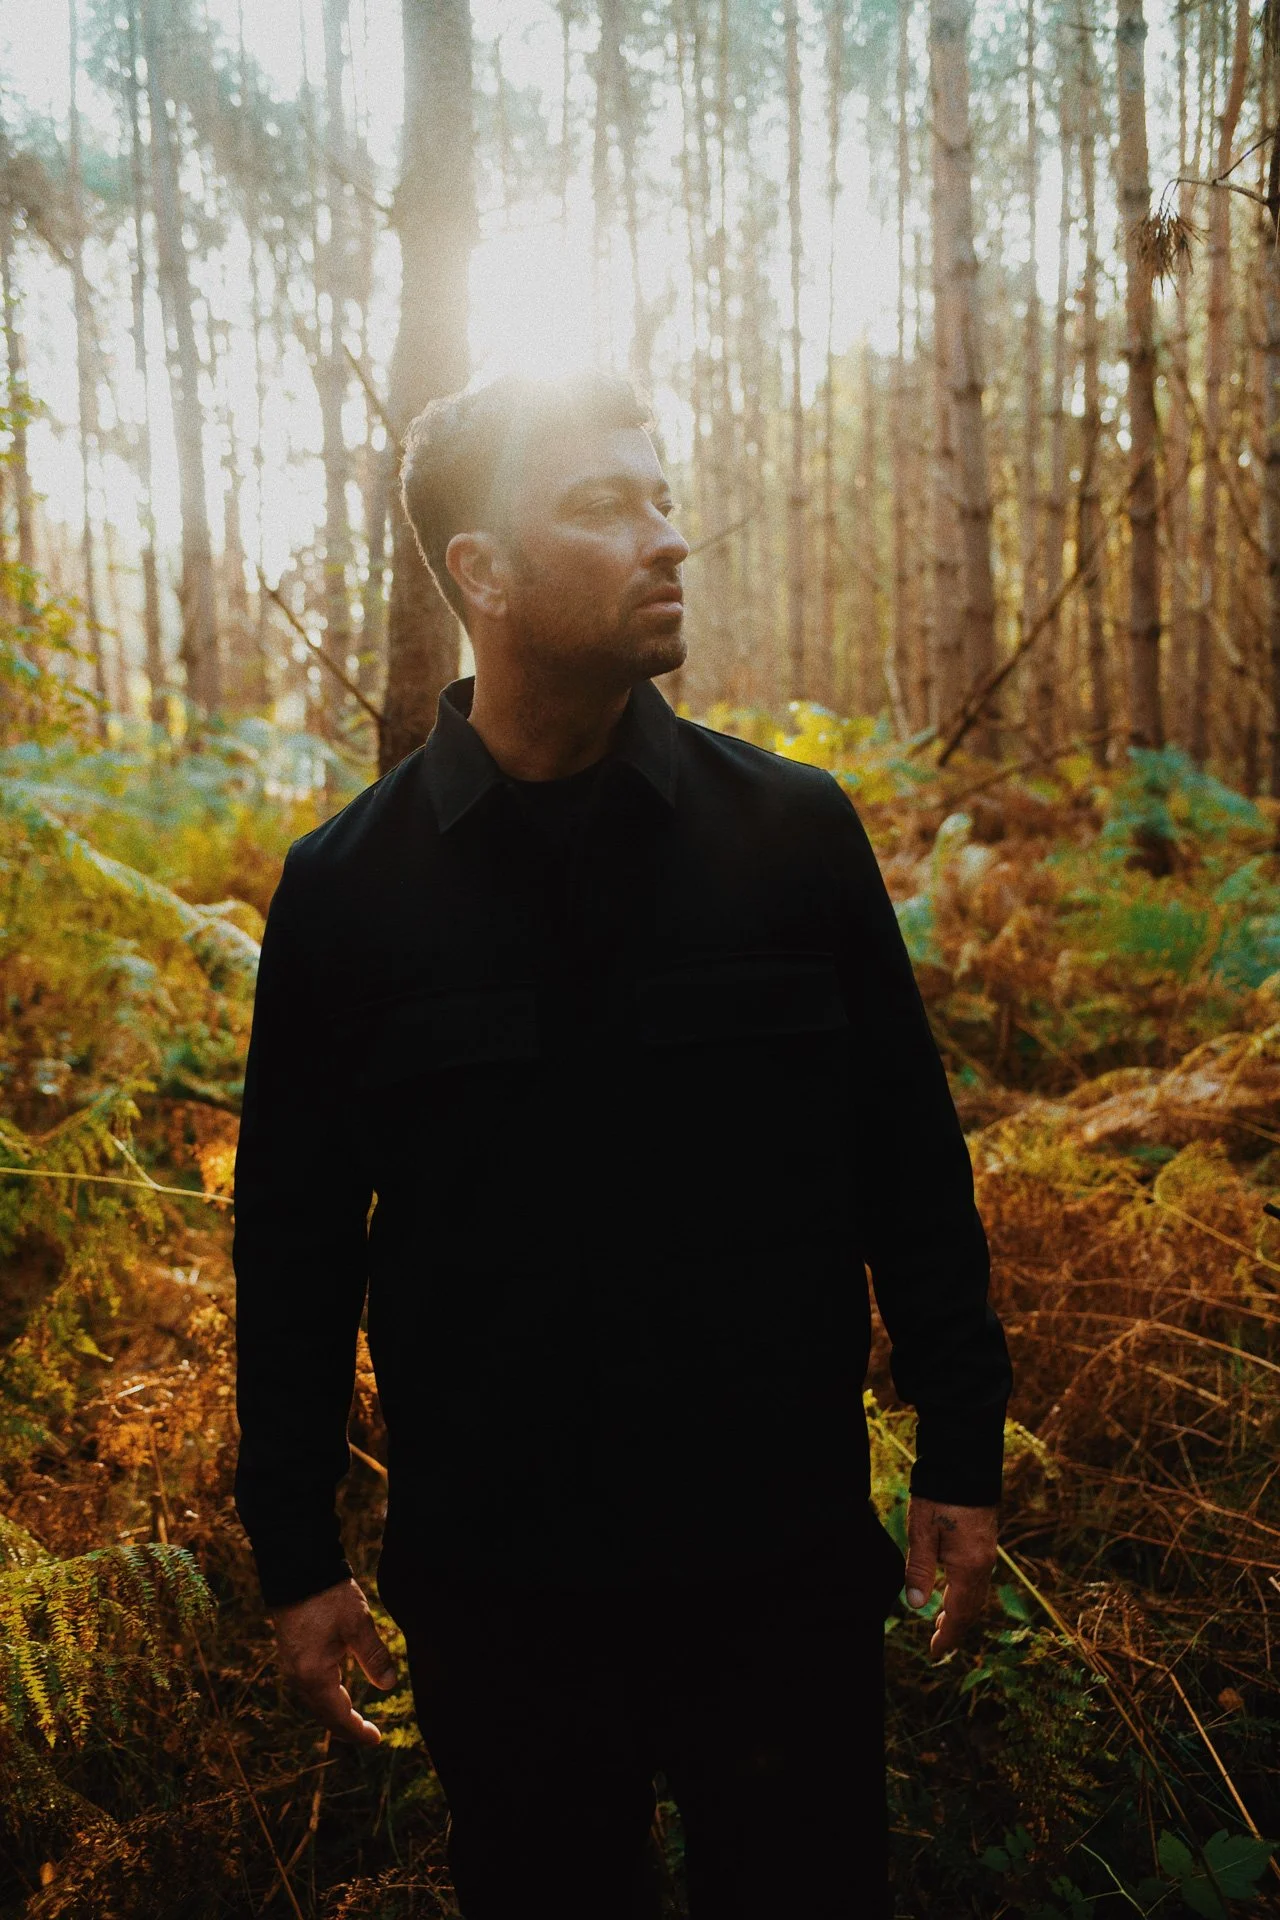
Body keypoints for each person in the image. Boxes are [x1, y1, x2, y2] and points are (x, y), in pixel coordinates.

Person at [232, 368, 1014, 1920]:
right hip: (503, 1601)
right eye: (604, 506)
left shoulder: (794, 836)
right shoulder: (346, 896)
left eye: (663, 495)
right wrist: (296, 1554)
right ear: (482, 573)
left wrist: (963, 1450)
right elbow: (296, 1252)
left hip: (777, 1578)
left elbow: (910, 1167)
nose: (667, 538)